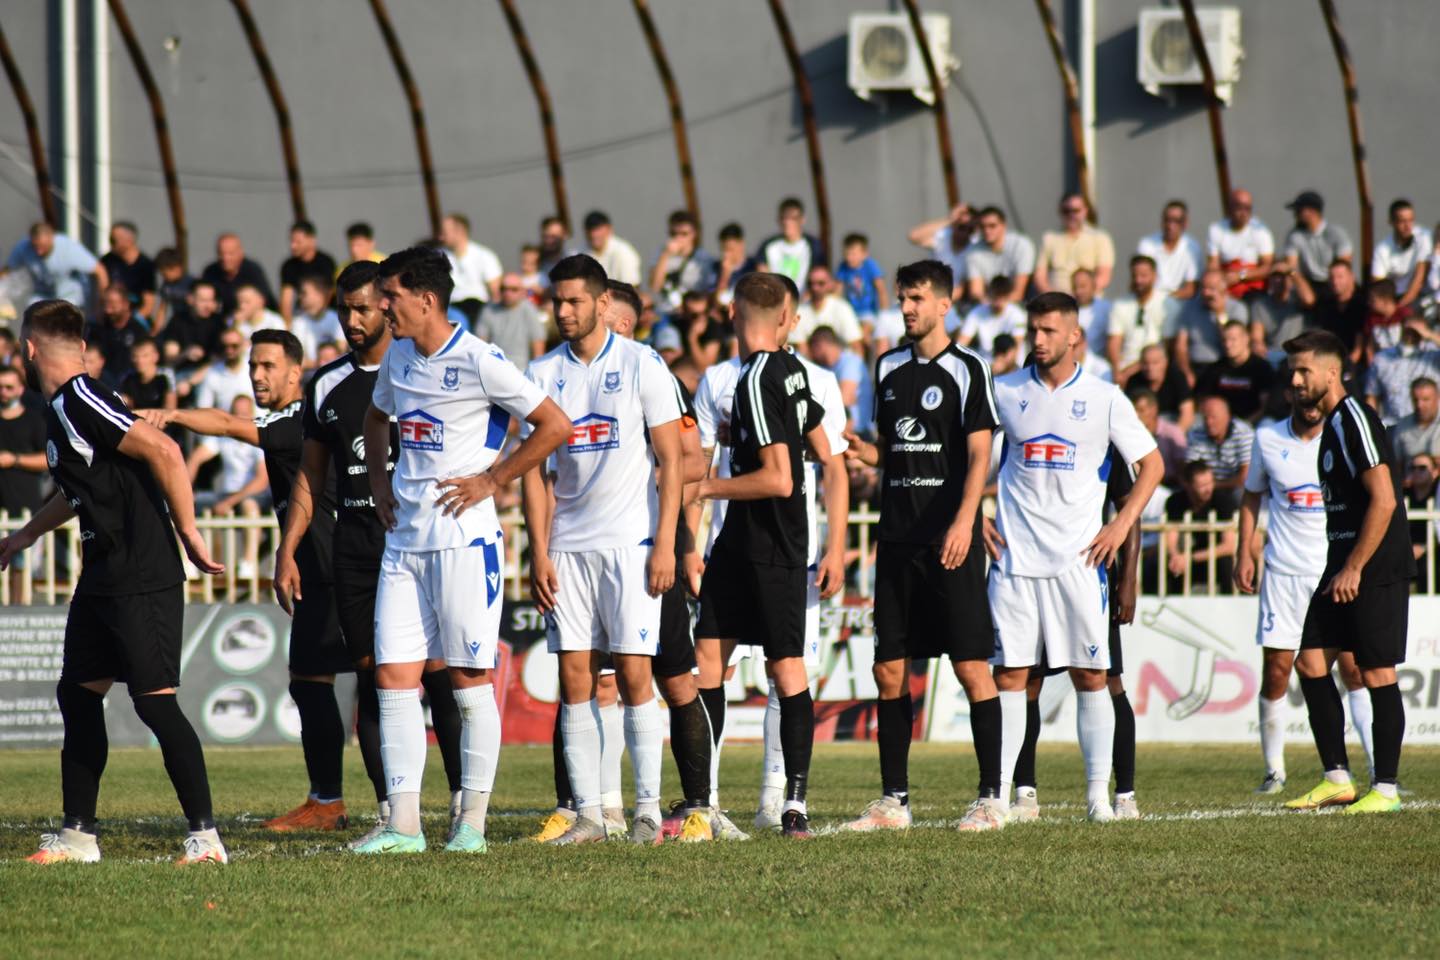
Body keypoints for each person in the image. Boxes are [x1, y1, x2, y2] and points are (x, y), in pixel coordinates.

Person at [357, 246, 569, 854]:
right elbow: (376, 420)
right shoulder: (398, 356)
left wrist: (492, 480)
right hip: (405, 542)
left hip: (463, 542)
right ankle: (403, 827)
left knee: (468, 679)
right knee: (393, 678)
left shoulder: (481, 360)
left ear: (426, 300)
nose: (382, 307)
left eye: (391, 296)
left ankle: (470, 825)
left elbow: (555, 425)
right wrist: (379, 483)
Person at [7, 298, 225, 865]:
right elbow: (78, 491)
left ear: (28, 348)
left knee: (155, 704)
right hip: (102, 570)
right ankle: (78, 837)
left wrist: (190, 533)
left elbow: (165, 449)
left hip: (140, 569)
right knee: (78, 694)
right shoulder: (65, 405)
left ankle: (206, 840)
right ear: (79, 346)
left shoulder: (81, 396)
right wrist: (25, 534)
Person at [144, 328, 375, 832]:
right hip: (317, 569)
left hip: (333, 570)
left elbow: (228, 424)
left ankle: (361, 804)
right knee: (314, 682)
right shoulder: (289, 421)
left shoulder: (297, 419)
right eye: (253, 366)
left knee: (356, 684)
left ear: (295, 373)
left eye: (268, 365)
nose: (257, 374)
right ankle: (331, 801)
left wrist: (169, 415)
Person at [520, 255, 687, 845]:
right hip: (568, 548)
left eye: (574, 301)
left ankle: (646, 811)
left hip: (630, 543)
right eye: (557, 302)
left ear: (601, 302)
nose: (564, 311)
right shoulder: (541, 372)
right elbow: (534, 472)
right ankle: (591, 814)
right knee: (574, 679)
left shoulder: (643, 363)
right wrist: (539, 551)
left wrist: (665, 543)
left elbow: (672, 461)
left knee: (636, 675)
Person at [838, 259, 1005, 832]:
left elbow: (979, 456)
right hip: (897, 542)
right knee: (888, 671)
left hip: (949, 542)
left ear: (943, 305)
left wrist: (964, 522)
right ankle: (895, 801)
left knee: (971, 668)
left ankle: (991, 798)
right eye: (901, 298)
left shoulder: (968, 369)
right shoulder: (887, 366)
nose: (906, 308)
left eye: (916, 298)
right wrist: (864, 453)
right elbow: (894, 450)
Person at [273, 261, 435, 847]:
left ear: (387, 308)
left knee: (444, 679)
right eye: (344, 309)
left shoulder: (422, 368)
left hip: (425, 541)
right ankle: (393, 812)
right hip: (359, 549)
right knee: (373, 678)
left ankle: (467, 813)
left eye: (363, 308)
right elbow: (311, 477)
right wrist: (287, 549)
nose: (352, 319)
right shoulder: (326, 385)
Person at [985, 291, 1163, 822]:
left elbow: (1152, 465)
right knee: (1010, 677)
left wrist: (1120, 524)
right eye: (1033, 330)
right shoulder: (1003, 391)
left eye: (1048, 331)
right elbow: (970, 461)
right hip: (1015, 563)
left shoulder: (1105, 397)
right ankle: (998, 798)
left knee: (1091, 676)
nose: (1037, 339)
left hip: (1079, 565)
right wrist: (973, 518)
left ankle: (1098, 800)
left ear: (1073, 336)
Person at [690, 273, 847, 837]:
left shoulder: (757, 377)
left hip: (775, 544)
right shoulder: (790, 370)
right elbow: (826, 453)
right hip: (737, 542)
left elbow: (780, 479)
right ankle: (702, 803)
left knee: (786, 667)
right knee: (708, 659)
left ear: (733, 313)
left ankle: (790, 805)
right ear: (785, 318)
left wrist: (704, 488)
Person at [1283, 330, 1414, 814]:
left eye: (1304, 371)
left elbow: (1385, 498)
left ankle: (1386, 790)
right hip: (1342, 565)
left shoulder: (1354, 417)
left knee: (1376, 671)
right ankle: (1337, 778)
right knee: (1310, 661)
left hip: (1373, 566)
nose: (1296, 381)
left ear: (1332, 372)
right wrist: (1343, 565)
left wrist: (1355, 566)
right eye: (1292, 373)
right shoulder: (1332, 425)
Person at [1235, 387, 1375, 794]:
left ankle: (1375, 769)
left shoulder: (1342, 438)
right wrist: (1244, 551)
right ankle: (1274, 771)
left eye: (1316, 401)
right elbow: (1251, 496)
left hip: (1333, 572)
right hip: (1283, 573)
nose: (1311, 407)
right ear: (1291, 398)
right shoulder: (1268, 438)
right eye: (1303, 399)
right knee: (1277, 669)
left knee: (1354, 670)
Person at [1007, 442, 1144, 822]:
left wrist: (1128, 579)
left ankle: (1123, 794)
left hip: (1087, 575)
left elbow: (1128, 508)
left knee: (1106, 680)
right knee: (1027, 680)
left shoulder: (1101, 438)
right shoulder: (1023, 430)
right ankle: (1024, 794)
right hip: (1031, 574)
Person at [0, 365, 49, 597]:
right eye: (0, 387)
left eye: (9, 387)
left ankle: (19, 612)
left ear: (21, 389)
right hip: (2, 509)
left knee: (23, 570)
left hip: (26, 508)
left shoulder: (34, 420)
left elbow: (49, 459)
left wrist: (15, 459)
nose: (4, 392)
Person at [1162, 460, 1236, 593]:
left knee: (1227, 563)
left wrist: (1189, 558)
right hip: (1189, 552)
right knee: (1165, 563)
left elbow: (1229, 546)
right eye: (1202, 485)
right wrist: (1175, 556)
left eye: (1210, 483)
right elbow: (1170, 536)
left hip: (1216, 554)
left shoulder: (1223, 501)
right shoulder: (1175, 502)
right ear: (1187, 485)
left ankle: (1231, 601)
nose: (1208, 489)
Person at [1167, 269, 1248, 386]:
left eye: (1211, 288)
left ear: (1223, 289)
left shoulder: (1237, 308)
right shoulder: (1190, 307)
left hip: (1222, 365)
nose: (1206, 293)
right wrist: (1186, 372)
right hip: (1194, 364)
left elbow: (1231, 342)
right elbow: (1181, 345)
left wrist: (1219, 312)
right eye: (1203, 288)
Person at [3, 222, 107, 311]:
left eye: (43, 247)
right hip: (43, 295)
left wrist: (102, 304)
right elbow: (6, 270)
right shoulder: (24, 248)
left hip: (70, 297)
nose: (39, 252)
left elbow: (100, 271)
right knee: (31, 309)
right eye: (36, 247)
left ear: (51, 238)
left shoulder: (68, 248)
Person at [1106, 255, 1171, 386]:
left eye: (1143, 276)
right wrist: (1116, 371)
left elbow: (1167, 346)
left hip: (1153, 367)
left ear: (1154, 276)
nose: (1138, 280)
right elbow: (1114, 342)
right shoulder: (1120, 304)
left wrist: (1131, 371)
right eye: (1135, 276)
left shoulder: (1166, 303)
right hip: (1124, 368)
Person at [1033, 194, 1114, 295]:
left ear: (1085, 211)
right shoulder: (1049, 238)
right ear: (1060, 212)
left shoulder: (1100, 238)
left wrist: (1082, 294)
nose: (1071, 215)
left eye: (1076, 210)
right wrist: (1053, 298)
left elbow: (1104, 276)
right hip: (1056, 300)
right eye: (1066, 211)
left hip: (1089, 301)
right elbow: (1039, 276)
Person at [1196, 320, 1277, 422]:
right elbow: (1203, 400)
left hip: (1252, 423)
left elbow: (1264, 406)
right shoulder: (1214, 369)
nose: (1228, 345)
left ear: (1246, 339)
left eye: (1233, 339)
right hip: (1221, 425)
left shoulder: (1261, 368)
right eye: (1224, 340)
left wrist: (1244, 425)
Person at [1363, 321, 1440, 425]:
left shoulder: (1433, 357)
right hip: (1392, 424)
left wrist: (1430, 335)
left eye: (1415, 333)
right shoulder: (1382, 358)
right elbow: (1372, 396)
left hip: (1429, 425)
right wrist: (1372, 424)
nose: (1410, 336)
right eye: (1407, 331)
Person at [1207, 187, 1275, 302]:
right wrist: (1222, 281)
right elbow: (1213, 266)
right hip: (1225, 285)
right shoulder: (1216, 229)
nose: (1244, 213)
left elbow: (1268, 267)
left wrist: (1240, 276)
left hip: (1253, 287)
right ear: (1229, 208)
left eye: (1247, 208)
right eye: (1239, 207)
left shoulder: (1260, 230)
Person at [1185, 393, 1254, 501]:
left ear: (1227, 416)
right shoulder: (1196, 433)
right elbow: (1191, 470)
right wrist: (1203, 486)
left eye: (1213, 417)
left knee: (1242, 493)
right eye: (1205, 417)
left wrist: (1213, 485)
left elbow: (1245, 476)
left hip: (1234, 488)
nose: (1209, 422)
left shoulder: (1244, 434)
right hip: (1204, 487)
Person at [650, 210, 717, 316]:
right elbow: (655, 286)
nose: (678, 238)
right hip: (666, 311)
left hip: (692, 313)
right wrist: (665, 255)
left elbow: (709, 291)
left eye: (684, 234)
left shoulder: (703, 259)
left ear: (694, 234)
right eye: (673, 234)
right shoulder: (661, 253)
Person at [441, 213, 503, 327]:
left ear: (460, 231)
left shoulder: (484, 256)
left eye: (444, 233)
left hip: (479, 308)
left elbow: (496, 293)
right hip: (451, 309)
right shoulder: (438, 257)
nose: (441, 237)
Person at [1283, 191, 1352, 294]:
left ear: (1312, 211)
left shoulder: (1336, 234)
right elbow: (1291, 265)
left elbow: (1344, 265)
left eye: (1299, 211)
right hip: (1308, 286)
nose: (1295, 215)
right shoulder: (1295, 236)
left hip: (1333, 283)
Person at [807, 325, 871, 434]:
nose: (810, 353)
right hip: (838, 431)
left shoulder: (851, 362)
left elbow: (844, 399)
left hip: (859, 433)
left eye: (811, 347)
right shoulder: (823, 367)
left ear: (820, 345)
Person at [476, 272, 547, 371]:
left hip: (521, 370)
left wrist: (535, 373)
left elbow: (538, 347)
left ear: (522, 292)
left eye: (513, 289)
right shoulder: (489, 310)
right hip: (493, 369)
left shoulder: (530, 310)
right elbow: (480, 344)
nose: (507, 293)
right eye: (503, 289)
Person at [964, 207, 1035, 303]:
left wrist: (998, 305)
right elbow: (976, 292)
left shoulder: (1021, 245)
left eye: (992, 226)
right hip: (988, 304)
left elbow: (1019, 292)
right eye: (982, 227)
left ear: (1003, 225)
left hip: (1022, 302)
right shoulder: (973, 251)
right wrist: (992, 305)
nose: (987, 231)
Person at [1371, 199, 1432, 311]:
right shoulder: (1382, 250)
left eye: (1411, 220)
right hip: (1394, 299)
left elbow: (1420, 277)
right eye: (1402, 221)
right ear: (1391, 222)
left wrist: (1399, 309)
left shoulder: (1424, 237)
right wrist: (1391, 308)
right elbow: (1379, 285)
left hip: (1421, 296)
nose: (1408, 226)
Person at [1299, 259, 1367, 359]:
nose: (1335, 282)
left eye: (1340, 277)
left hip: (1355, 360)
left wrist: (1348, 364)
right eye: (1331, 277)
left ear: (1351, 277)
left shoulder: (1362, 303)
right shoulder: (1325, 304)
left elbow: (1358, 349)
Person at [1137, 199, 1203, 300]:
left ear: (1185, 223)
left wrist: (1167, 301)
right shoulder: (1146, 244)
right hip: (1150, 300)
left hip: (1181, 302)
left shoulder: (1192, 247)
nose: (1170, 225)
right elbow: (1142, 281)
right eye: (1167, 220)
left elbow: (1191, 289)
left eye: (1177, 221)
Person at [86, 284, 151, 386]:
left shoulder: (138, 330)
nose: (108, 310)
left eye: (113, 304)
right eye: (105, 304)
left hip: (130, 384)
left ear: (126, 304)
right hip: (103, 383)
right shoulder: (97, 329)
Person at [908, 203, 974, 302]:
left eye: (970, 229)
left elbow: (960, 289)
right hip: (933, 294)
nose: (965, 232)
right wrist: (950, 220)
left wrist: (937, 303)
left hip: (955, 302)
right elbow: (913, 236)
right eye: (962, 227)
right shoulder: (944, 237)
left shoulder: (974, 247)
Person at [756, 197, 827, 289]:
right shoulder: (768, 245)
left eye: (793, 218)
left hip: (804, 296)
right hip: (775, 296)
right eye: (784, 218)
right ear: (779, 220)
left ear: (802, 220)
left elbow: (819, 275)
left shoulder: (813, 245)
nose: (787, 223)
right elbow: (762, 275)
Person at [278, 221, 338, 327]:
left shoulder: (326, 262)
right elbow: (286, 298)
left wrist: (319, 318)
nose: (293, 246)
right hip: (302, 315)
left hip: (326, 315)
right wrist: (287, 326)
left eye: (298, 242)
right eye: (291, 241)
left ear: (311, 240)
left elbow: (330, 291)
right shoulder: (289, 266)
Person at [201, 233, 276, 316]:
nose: (226, 258)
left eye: (230, 253)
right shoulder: (210, 272)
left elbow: (264, 300)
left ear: (240, 253)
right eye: (221, 253)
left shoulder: (252, 271)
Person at [792, 265, 862, 349]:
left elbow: (855, 344)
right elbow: (801, 347)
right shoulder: (800, 311)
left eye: (821, 283)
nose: (815, 288)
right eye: (810, 283)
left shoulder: (842, 308)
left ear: (830, 284)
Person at [162, 279, 223, 372]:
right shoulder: (178, 321)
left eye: (211, 300)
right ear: (190, 299)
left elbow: (221, 357)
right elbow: (169, 359)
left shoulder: (218, 323)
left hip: (212, 372)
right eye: (203, 300)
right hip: (184, 372)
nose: (208, 306)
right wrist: (185, 354)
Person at [957, 275, 1025, 358]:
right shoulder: (976, 313)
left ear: (1009, 296)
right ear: (989, 294)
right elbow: (962, 342)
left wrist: (1000, 363)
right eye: (996, 296)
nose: (998, 302)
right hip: (985, 360)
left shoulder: (1018, 315)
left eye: (1003, 297)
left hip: (1011, 362)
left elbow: (1016, 347)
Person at [99, 221, 156, 320]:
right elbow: (101, 295)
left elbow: (148, 304)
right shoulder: (106, 261)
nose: (110, 243)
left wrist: (132, 323)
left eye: (113, 240)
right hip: (110, 317)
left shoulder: (146, 265)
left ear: (129, 240)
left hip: (135, 318)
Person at [1131, 388, 1188, 484]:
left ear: (1154, 409)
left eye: (1141, 410)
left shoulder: (1173, 433)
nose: (1137, 415)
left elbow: (1181, 467)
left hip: (1170, 485)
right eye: (1134, 411)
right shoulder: (1131, 435)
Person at [291, 275, 344, 366]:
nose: (300, 297)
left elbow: (341, 351)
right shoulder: (298, 323)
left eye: (304, 293)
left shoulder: (336, 319)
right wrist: (319, 363)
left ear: (319, 294)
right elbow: (296, 359)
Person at [836, 233, 887, 324]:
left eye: (853, 254)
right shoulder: (843, 266)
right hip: (851, 311)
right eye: (846, 254)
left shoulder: (870, 265)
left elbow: (881, 290)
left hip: (869, 312)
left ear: (864, 254)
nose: (849, 258)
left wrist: (884, 314)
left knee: (865, 329)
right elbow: (837, 291)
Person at [582, 211, 643, 287]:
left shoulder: (624, 252)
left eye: (598, 229)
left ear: (609, 229)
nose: (594, 234)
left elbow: (632, 288)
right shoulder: (577, 253)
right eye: (590, 229)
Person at [118, 337, 177, 412]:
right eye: (135, 356)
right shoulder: (127, 377)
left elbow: (170, 410)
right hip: (137, 418)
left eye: (145, 356)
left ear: (156, 356)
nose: (139, 360)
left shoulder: (166, 376)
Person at [1392, 377, 1440, 466]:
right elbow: (1397, 464)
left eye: (1425, 399)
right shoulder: (1402, 425)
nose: (1419, 405)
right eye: (1415, 400)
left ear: (1437, 398)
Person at [1362, 279, 1412, 357]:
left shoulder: (1404, 315)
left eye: (1372, 300)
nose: (1369, 303)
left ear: (1385, 300)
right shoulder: (1372, 318)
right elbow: (1370, 348)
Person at [152, 247, 193, 335]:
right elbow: (162, 309)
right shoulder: (167, 285)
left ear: (177, 268)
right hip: (177, 323)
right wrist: (156, 331)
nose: (164, 277)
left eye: (165, 274)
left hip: (191, 325)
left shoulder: (191, 283)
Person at [714, 222, 758, 305]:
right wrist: (724, 276)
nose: (725, 254)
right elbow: (717, 302)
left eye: (730, 249)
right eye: (723, 249)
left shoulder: (754, 267)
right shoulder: (715, 268)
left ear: (741, 244)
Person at [1073, 268, 1112, 355]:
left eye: (1083, 286)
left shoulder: (1107, 309)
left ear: (1093, 286)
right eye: (1075, 287)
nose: (1078, 291)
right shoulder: (1068, 311)